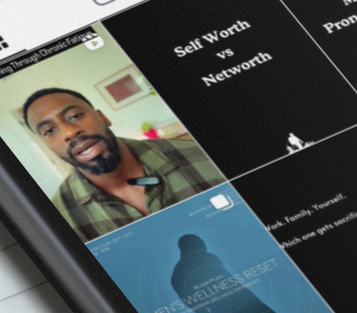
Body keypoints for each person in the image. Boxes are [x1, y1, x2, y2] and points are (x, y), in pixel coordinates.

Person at [19, 87, 225, 239]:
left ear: (103, 117)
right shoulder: (59, 221)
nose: (69, 132)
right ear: (47, 145)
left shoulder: (201, 155)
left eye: (75, 116)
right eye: (49, 131)